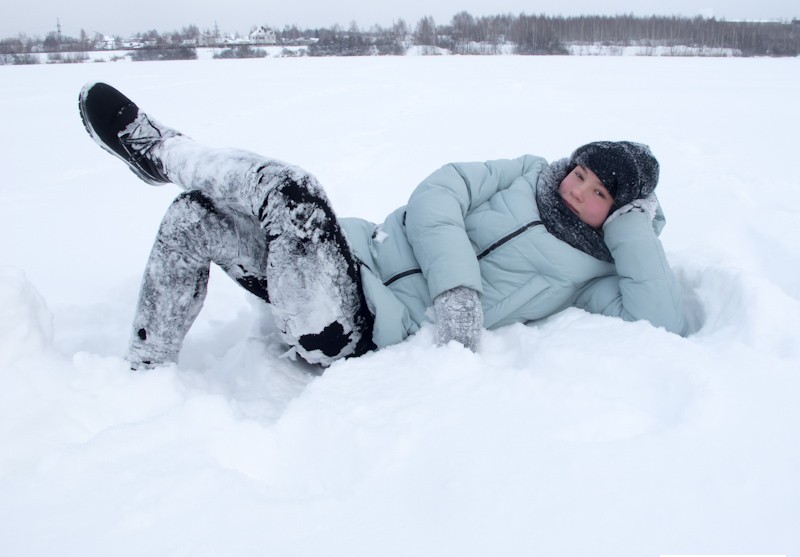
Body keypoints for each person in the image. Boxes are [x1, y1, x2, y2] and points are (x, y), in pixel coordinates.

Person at [78, 81, 688, 370]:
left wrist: (634, 226)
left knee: (293, 195)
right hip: (340, 257)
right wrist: (458, 289)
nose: (576, 188)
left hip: (356, 323)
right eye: (581, 171)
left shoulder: (593, 273)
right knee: (193, 219)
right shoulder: (528, 172)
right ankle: (145, 368)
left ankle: (165, 153)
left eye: (599, 192)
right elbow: (436, 193)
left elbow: (658, 321)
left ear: (620, 209)